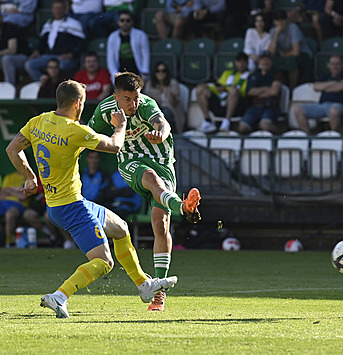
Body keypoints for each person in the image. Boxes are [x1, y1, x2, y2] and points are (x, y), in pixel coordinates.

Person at [5, 80, 179, 318]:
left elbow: (12, 149)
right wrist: (121, 125)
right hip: (71, 207)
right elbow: (116, 146)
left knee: (120, 229)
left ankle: (144, 285)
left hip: (62, 203)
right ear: (78, 103)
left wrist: (29, 177)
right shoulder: (76, 130)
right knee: (104, 262)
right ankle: (60, 296)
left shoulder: (38, 121)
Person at [88, 72, 202, 312]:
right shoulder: (104, 111)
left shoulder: (147, 104)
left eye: (136, 98)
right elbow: (88, 137)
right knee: (149, 178)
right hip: (130, 162)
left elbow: (164, 123)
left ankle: (158, 294)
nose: (133, 104)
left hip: (162, 161)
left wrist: (161, 133)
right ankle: (182, 207)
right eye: (127, 99)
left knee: (160, 225)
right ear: (115, 96)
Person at [24, 0, 85, 82]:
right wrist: (37, 51)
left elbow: (81, 44)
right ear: (52, 9)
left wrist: (71, 54)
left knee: (59, 66)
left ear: (65, 9)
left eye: (60, 8)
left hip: (65, 58)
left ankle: (56, 88)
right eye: (55, 8)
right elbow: (42, 42)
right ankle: (44, 86)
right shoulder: (48, 24)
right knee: (29, 65)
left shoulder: (73, 24)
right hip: (48, 56)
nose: (57, 11)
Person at [294, 53, 343, 134]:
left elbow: (342, 86)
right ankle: (308, 138)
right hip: (322, 105)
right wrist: (335, 84)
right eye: (332, 64)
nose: (334, 66)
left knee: (334, 111)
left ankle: (334, 136)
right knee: (298, 110)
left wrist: (325, 87)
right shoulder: (325, 75)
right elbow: (316, 87)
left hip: (339, 105)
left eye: (337, 64)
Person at [196, 52, 250, 133]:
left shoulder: (251, 75)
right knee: (200, 89)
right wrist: (207, 86)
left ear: (247, 63)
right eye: (239, 61)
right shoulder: (227, 73)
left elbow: (245, 92)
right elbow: (218, 87)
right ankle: (207, 120)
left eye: (243, 62)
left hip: (239, 106)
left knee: (233, 90)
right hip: (221, 103)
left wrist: (226, 89)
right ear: (236, 62)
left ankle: (227, 121)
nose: (241, 64)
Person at [239, 52, 284, 135]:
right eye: (263, 59)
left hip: (270, 107)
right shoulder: (254, 74)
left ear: (272, 61)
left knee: (265, 126)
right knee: (242, 128)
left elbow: (274, 92)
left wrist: (258, 92)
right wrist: (266, 89)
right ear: (259, 61)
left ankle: (280, 134)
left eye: (268, 59)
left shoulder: (277, 73)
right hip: (254, 107)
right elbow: (249, 92)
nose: (265, 62)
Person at [267, 9, 313, 89]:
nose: (280, 22)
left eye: (282, 20)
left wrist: (284, 55)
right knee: (270, 61)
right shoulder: (273, 31)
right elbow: (271, 53)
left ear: (286, 20)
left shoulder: (293, 28)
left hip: (302, 56)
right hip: (285, 56)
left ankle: (292, 89)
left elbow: (296, 52)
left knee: (292, 62)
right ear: (275, 22)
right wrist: (276, 35)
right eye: (278, 20)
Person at [106, 10, 150, 83]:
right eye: (122, 20)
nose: (125, 23)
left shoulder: (141, 35)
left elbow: (145, 55)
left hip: (137, 74)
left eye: (128, 20)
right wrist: (114, 75)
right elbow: (110, 59)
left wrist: (144, 72)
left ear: (132, 22)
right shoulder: (112, 37)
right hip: (120, 75)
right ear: (118, 22)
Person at [143, 61, 186, 133]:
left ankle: (169, 133)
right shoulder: (150, 84)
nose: (161, 73)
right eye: (158, 71)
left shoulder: (172, 83)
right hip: (156, 111)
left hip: (172, 110)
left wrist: (173, 96)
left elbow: (176, 100)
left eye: (163, 71)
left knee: (166, 112)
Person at [0, 15, 31, 85]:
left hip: (22, 57)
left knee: (6, 59)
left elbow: (12, 50)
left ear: (1, 18)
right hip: (3, 57)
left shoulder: (10, 28)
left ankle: (10, 87)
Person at [0, 171, 28, 248]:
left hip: (18, 205)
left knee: (9, 215)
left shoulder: (28, 178)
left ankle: (8, 242)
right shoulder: (9, 177)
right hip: (3, 203)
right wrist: (16, 193)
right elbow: (1, 194)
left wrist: (9, 190)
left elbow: (23, 197)